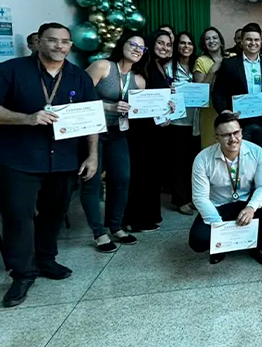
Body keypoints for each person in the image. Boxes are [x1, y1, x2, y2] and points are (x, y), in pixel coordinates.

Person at [0, 23, 99, 307]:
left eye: (65, 42)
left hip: (65, 159)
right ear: (39, 42)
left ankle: (45, 260)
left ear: (71, 45)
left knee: (54, 214)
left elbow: (92, 117)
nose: (59, 46)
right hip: (19, 158)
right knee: (18, 216)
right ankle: (22, 273)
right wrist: (27, 118)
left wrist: (92, 156)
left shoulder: (78, 76)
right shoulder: (12, 70)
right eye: (52, 41)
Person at [80, 31, 146, 252]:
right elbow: (78, 96)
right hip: (91, 131)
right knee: (92, 180)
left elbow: (139, 111)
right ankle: (98, 232)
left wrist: (165, 110)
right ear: (122, 44)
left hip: (117, 132)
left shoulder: (139, 80)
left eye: (141, 48)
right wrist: (108, 107)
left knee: (122, 178)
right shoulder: (103, 67)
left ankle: (115, 227)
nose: (137, 49)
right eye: (133, 44)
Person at [189, 113, 262, 265]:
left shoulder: (257, 152)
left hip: (245, 203)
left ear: (241, 132)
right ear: (216, 137)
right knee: (198, 240)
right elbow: (200, 198)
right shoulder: (203, 159)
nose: (233, 139)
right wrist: (220, 228)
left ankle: (256, 244)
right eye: (226, 135)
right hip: (218, 207)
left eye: (236, 133)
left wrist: (251, 207)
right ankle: (220, 246)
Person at [124, 29, 173, 233]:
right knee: (141, 174)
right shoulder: (144, 66)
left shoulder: (160, 67)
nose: (165, 47)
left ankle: (149, 215)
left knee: (152, 174)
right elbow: (139, 99)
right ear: (151, 44)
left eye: (169, 44)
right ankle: (135, 219)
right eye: (160, 43)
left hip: (155, 130)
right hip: (141, 131)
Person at [211, 23, 262, 153]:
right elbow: (218, 92)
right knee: (239, 159)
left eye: (256, 40)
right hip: (238, 124)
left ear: (261, 42)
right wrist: (224, 111)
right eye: (249, 39)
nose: (253, 43)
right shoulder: (229, 64)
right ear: (241, 41)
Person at [164, 32, 202, 216]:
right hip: (177, 122)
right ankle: (180, 199)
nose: (186, 46)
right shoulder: (168, 68)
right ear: (176, 46)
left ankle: (190, 196)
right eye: (182, 43)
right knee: (177, 162)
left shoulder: (196, 66)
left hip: (195, 121)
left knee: (192, 162)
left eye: (189, 43)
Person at [193, 27, 230, 147]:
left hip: (230, 108)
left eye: (215, 37)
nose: (211, 41)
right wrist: (213, 70)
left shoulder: (232, 56)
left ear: (221, 41)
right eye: (207, 39)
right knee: (211, 145)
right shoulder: (201, 61)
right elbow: (200, 92)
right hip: (210, 110)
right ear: (204, 43)